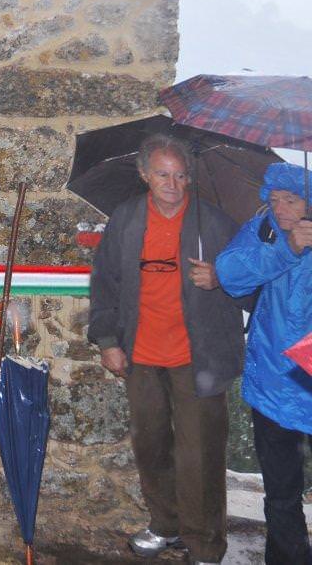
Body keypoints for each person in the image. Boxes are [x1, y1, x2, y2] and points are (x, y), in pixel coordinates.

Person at [87, 135, 243, 564]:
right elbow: (104, 284)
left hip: (199, 358)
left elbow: (250, 287)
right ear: (144, 175)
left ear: (188, 178)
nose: (172, 183)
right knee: (151, 446)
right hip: (141, 356)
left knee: (201, 455)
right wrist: (107, 341)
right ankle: (166, 525)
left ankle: (206, 546)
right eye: (162, 174)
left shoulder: (213, 223)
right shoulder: (127, 220)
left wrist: (222, 278)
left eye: (179, 175)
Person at [217, 163, 312, 565]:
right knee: (281, 491)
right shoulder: (266, 230)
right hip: (274, 382)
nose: (282, 208)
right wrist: (287, 249)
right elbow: (231, 274)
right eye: (274, 200)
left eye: (290, 200)